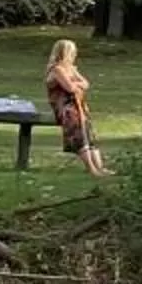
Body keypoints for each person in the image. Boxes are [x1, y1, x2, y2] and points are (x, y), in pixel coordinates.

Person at [43, 39, 108, 179]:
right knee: (79, 136)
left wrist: (76, 82)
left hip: (79, 106)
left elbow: (86, 84)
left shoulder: (71, 68)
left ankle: (100, 168)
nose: (75, 55)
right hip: (66, 108)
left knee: (89, 136)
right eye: (72, 52)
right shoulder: (57, 69)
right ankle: (92, 169)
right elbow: (70, 88)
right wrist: (76, 83)